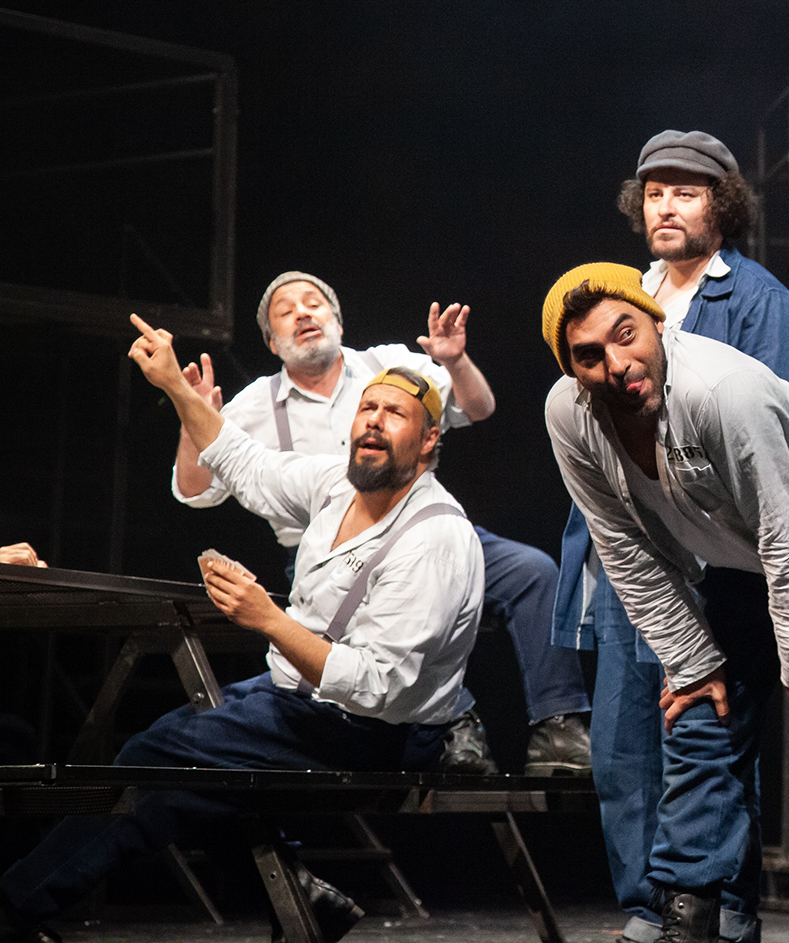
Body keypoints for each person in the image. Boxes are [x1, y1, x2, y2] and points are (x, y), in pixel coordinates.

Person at [1, 316, 484, 943]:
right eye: (368, 408)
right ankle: (301, 901)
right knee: (177, 763)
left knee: (157, 761)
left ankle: (15, 909)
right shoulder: (335, 485)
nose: (373, 421)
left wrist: (267, 618)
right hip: (300, 698)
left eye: (394, 414)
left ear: (428, 439)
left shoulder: (436, 537)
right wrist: (176, 387)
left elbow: (379, 688)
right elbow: (243, 462)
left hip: (376, 730)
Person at [542, 264, 789, 943]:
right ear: (572, 370)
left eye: (625, 335)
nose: (616, 365)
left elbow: (785, 527)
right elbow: (622, 544)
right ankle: (689, 915)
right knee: (698, 715)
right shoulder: (570, 415)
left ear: (657, 322)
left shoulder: (723, 389)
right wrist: (691, 661)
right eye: (588, 356)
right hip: (744, 551)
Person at [169, 271, 590, 776]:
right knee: (385, 632)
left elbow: (477, 408)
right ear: (272, 341)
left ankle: (558, 725)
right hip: (326, 553)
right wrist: (191, 417)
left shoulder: (387, 365)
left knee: (532, 572)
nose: (303, 313)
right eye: (286, 310)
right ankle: (450, 722)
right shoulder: (255, 404)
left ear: (339, 323)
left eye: (314, 304)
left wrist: (454, 362)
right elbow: (196, 491)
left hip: (415, 530)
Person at [550, 130, 789, 943]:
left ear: (721, 205)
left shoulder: (759, 299)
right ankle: (648, 907)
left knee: (710, 728)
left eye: (686, 192)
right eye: (655, 192)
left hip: (714, 552)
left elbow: (774, 423)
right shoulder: (616, 292)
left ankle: (723, 904)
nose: (667, 206)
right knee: (625, 742)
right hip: (633, 549)